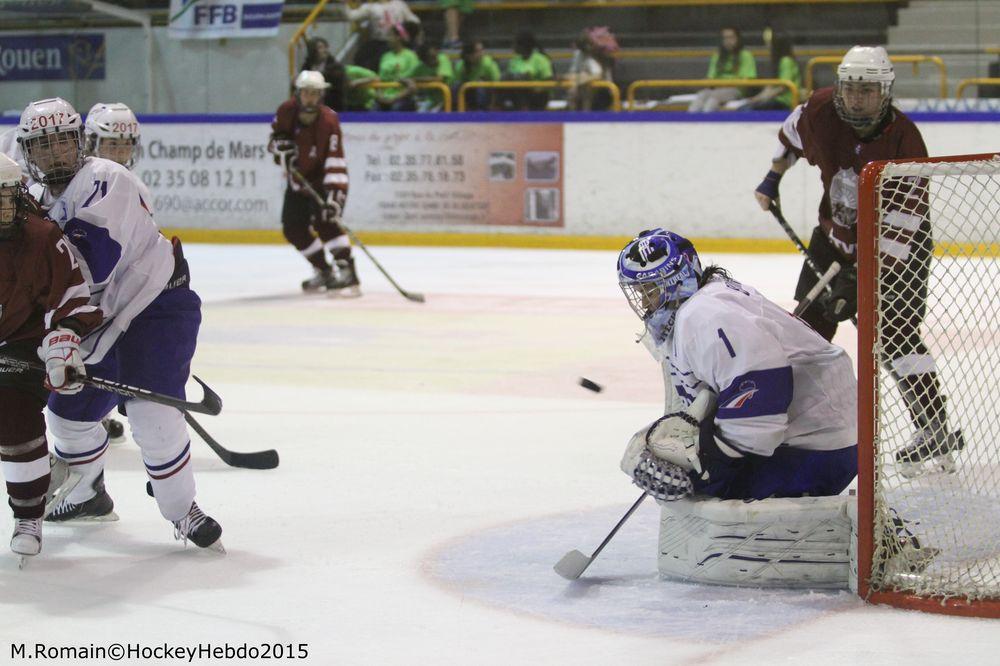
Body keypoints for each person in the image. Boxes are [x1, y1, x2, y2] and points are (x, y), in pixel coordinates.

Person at [16, 97, 224, 550]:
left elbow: (92, 265)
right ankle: (88, 495)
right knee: (66, 418)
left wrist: (52, 332)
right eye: (43, 145)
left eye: (63, 142)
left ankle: (181, 509)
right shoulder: (32, 201)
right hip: (95, 319)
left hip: (155, 305)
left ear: (80, 143)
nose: (55, 153)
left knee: (153, 414)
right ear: (28, 152)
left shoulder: (107, 179)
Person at [753, 45, 962, 477]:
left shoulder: (905, 138)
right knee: (806, 327)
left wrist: (862, 272)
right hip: (834, 237)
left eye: (867, 91)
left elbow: (907, 218)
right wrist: (772, 179)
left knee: (894, 335)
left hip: (898, 247)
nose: (856, 98)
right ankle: (784, 420)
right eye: (851, 89)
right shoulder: (820, 110)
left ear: (884, 92)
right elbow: (790, 136)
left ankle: (933, 426)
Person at [616, 228, 858, 503]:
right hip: (821, 436)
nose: (646, 303)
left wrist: (710, 466)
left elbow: (764, 386)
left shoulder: (703, 315)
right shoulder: (707, 302)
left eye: (651, 290)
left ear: (677, 281)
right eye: (640, 292)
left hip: (816, 447)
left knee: (697, 491)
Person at [0, 152, 102, 563]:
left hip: (24, 345)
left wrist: (62, 345)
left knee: (14, 420)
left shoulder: (42, 239)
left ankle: (28, 515)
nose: (2, 206)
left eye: (6, 195)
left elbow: (73, 300)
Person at [269, 71, 359, 296]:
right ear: (298, 94)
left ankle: (348, 272)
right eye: (306, 93)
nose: (310, 98)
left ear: (321, 95)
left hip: (322, 182)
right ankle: (324, 270)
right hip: (298, 182)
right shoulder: (285, 111)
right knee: (293, 229)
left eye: (315, 94)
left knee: (327, 222)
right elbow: (274, 142)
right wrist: (282, 152)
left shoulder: (329, 121)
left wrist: (335, 196)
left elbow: (335, 159)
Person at [689, 27, 757, 112]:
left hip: (736, 90)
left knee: (713, 99)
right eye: (725, 38)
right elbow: (711, 78)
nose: (728, 41)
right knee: (701, 96)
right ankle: (689, 123)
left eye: (731, 37)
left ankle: (706, 123)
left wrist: (723, 84)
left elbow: (746, 80)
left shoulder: (746, 55)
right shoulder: (717, 56)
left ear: (738, 39)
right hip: (716, 89)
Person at [343, 0, 420, 73]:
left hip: (398, 41)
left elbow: (414, 20)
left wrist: (405, 30)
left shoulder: (399, 4)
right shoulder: (370, 7)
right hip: (378, 42)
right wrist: (344, 3)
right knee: (361, 57)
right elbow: (352, 16)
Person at [743, 31, 801, 111]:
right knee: (746, 106)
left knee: (748, 109)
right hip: (776, 99)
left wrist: (763, 98)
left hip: (785, 101)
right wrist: (755, 99)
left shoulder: (786, 61)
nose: (769, 47)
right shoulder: (778, 62)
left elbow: (782, 87)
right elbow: (770, 87)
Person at [565, 27, 618, 112]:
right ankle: (573, 115)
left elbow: (597, 74)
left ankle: (586, 114)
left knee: (587, 89)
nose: (588, 47)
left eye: (589, 44)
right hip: (582, 88)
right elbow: (573, 72)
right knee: (573, 90)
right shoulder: (579, 55)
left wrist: (580, 80)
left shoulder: (602, 56)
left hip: (603, 90)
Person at [503, 31, 553, 111]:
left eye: (515, 44)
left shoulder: (541, 59)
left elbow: (549, 79)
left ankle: (525, 109)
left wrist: (535, 87)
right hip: (516, 95)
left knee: (524, 79)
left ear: (523, 45)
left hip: (537, 95)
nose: (512, 47)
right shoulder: (514, 60)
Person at [375, 24, 421, 111]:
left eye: (390, 35)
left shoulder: (410, 56)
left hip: (402, 98)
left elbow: (413, 82)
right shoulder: (385, 56)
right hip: (384, 97)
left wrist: (393, 99)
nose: (387, 39)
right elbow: (380, 80)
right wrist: (380, 96)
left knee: (396, 109)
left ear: (398, 37)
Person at [300, 37, 348, 111]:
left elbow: (340, 86)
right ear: (313, 50)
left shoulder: (335, 66)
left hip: (332, 104)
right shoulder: (307, 66)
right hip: (310, 103)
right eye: (320, 48)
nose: (325, 50)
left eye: (325, 47)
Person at [453, 40, 501, 111]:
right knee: (456, 85)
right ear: (468, 55)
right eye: (478, 51)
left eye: (482, 50)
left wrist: (492, 105)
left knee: (480, 84)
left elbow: (497, 87)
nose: (482, 54)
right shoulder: (460, 66)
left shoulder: (488, 64)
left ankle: (480, 110)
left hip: (486, 95)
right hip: (468, 95)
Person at [412, 42, 455, 111]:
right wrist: (409, 81)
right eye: (431, 57)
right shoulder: (420, 67)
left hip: (448, 99)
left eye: (436, 55)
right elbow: (404, 78)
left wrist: (415, 79)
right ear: (424, 60)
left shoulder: (442, 58)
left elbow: (439, 79)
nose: (435, 58)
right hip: (430, 100)